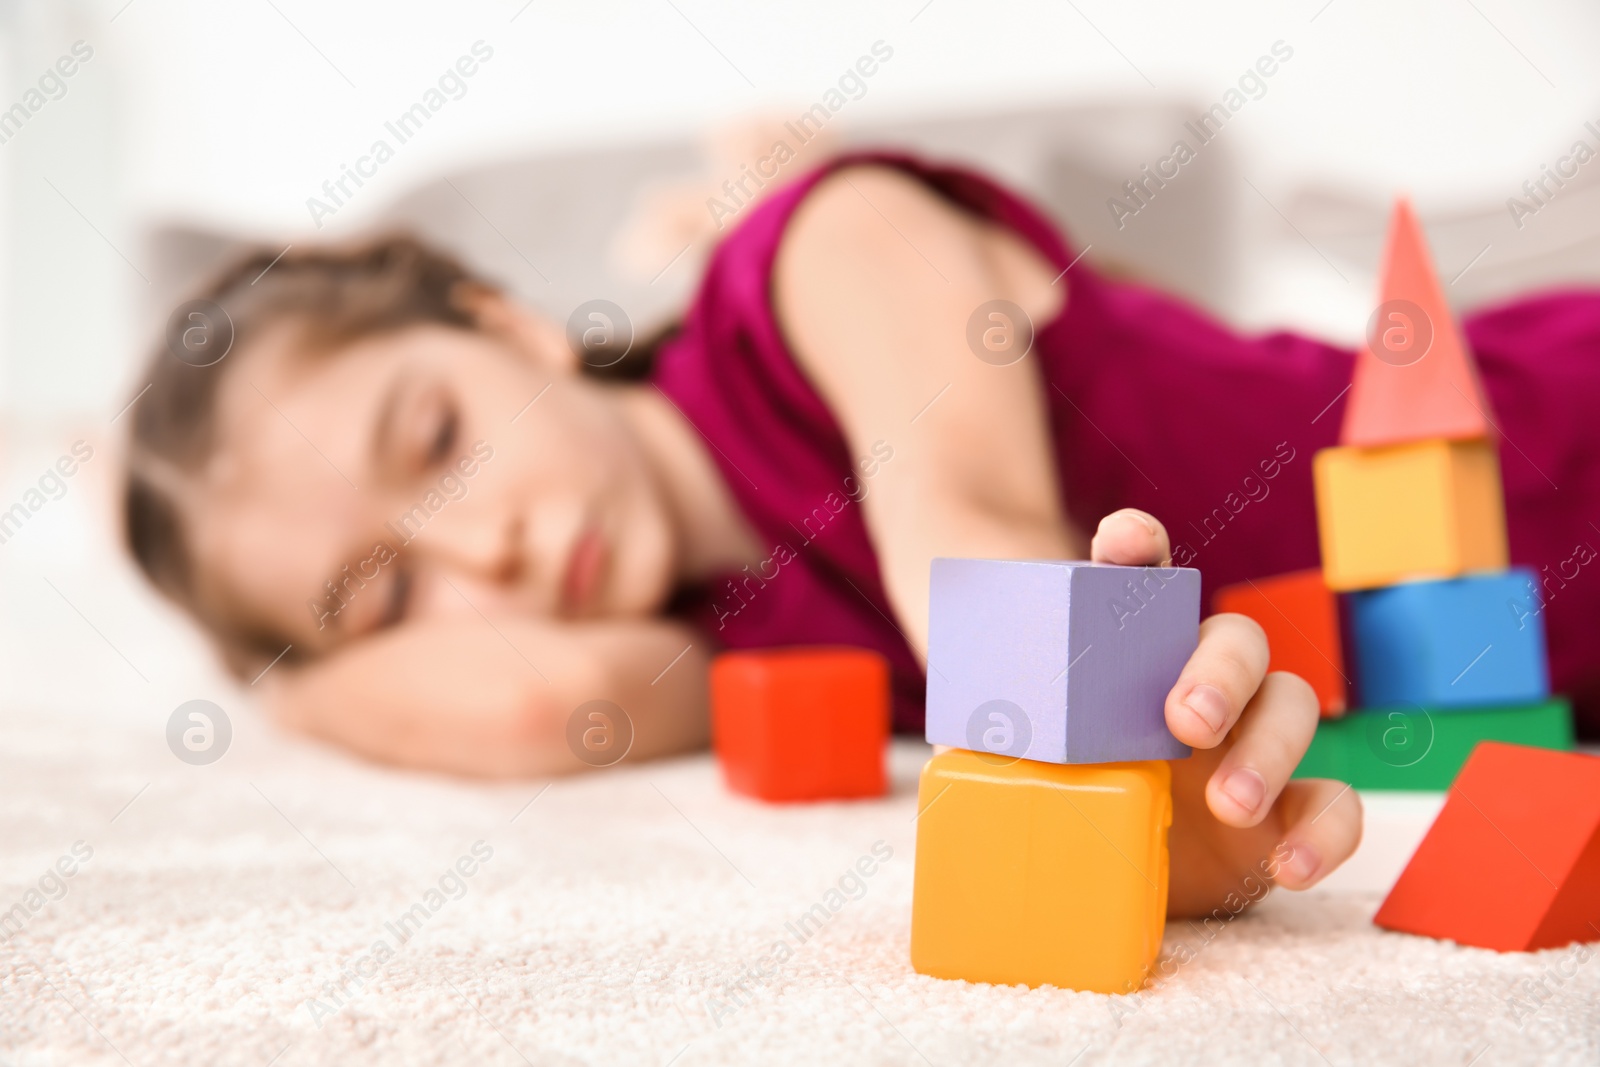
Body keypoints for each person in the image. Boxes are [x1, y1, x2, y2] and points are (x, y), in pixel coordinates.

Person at [121, 152, 1600, 916]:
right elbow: (537, 704)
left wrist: (1105, 725)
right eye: (388, 598)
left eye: (439, 443)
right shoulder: (719, 645)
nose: (486, 553)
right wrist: (288, 670)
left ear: (512, 324)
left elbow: (969, 532)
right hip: (1526, 701)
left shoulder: (819, 247)